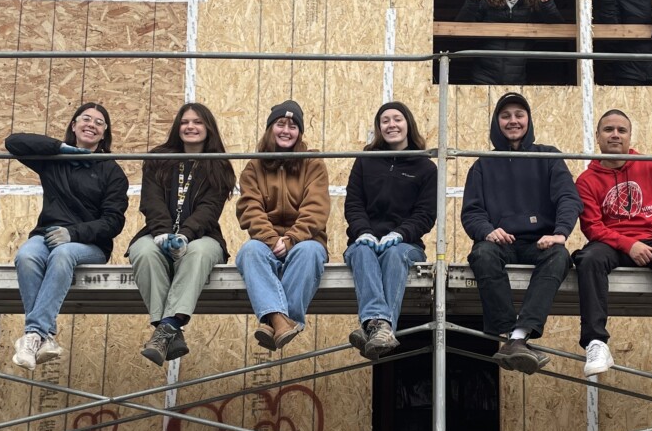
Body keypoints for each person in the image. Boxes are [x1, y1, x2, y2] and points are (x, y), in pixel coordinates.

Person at [573, 109, 652, 387]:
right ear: (597, 136)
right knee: (589, 259)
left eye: (621, 130)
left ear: (630, 136)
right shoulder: (586, 180)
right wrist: (629, 245)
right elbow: (592, 227)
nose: (615, 135)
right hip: (611, 242)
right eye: (608, 130)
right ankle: (595, 342)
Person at [461, 92, 582, 374]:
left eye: (519, 115)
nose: (513, 121)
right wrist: (488, 231)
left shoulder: (549, 157)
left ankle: (519, 336)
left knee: (560, 256)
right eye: (505, 116)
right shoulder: (482, 166)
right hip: (501, 242)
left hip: (540, 242)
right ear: (496, 122)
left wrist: (560, 233)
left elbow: (569, 198)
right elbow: (471, 212)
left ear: (528, 120)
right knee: (481, 254)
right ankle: (508, 334)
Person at [7, 103, 129, 370]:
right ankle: (45, 337)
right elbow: (14, 142)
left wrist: (73, 233)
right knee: (26, 255)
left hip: (90, 246)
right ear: (73, 125)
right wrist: (59, 149)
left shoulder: (111, 171)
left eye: (99, 122)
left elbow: (114, 221)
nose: (92, 125)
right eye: (85, 119)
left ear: (104, 134)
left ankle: (34, 334)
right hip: (47, 235)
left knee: (63, 253)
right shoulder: (54, 162)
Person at [127, 103, 235, 366]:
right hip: (157, 232)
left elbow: (210, 209)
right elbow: (150, 200)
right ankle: (170, 333)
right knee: (143, 251)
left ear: (208, 128)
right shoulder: (158, 158)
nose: (190, 127)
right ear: (177, 127)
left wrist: (186, 235)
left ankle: (166, 328)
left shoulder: (219, 165)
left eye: (198, 122)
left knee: (197, 254)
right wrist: (162, 232)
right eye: (185, 122)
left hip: (203, 236)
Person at [344, 102, 437, 360]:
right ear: (379, 127)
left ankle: (371, 326)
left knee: (395, 254)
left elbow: (425, 214)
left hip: (406, 244)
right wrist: (363, 231)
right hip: (365, 239)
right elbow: (353, 203)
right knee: (361, 251)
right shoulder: (365, 162)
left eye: (397, 119)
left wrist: (400, 233)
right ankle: (382, 328)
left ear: (408, 124)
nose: (391, 125)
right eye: (385, 120)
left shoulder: (425, 168)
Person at [235, 100, 330, 351]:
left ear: (299, 133)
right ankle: (283, 322)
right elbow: (249, 208)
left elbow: (316, 208)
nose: (286, 130)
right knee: (249, 252)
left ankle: (272, 320)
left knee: (308, 253)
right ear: (270, 129)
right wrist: (270, 239)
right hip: (267, 242)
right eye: (280, 124)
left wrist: (291, 239)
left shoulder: (313, 163)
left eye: (293, 126)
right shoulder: (254, 167)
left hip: (305, 241)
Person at [455, 0, 563, 84]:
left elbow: (557, 25)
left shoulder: (533, 4)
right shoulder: (487, 2)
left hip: (517, 77)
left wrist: (547, 5)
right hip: (483, 76)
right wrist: (473, 1)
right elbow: (461, 24)